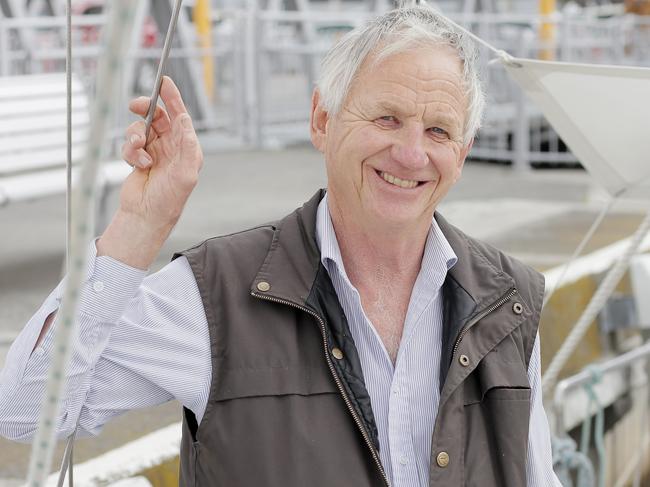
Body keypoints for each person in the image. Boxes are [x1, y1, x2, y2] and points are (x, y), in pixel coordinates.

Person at [0, 6, 561, 486]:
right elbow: (25, 409)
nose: (412, 154)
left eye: (439, 131)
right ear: (322, 119)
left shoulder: (509, 299)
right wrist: (140, 225)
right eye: (387, 118)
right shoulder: (215, 294)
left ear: (461, 157)